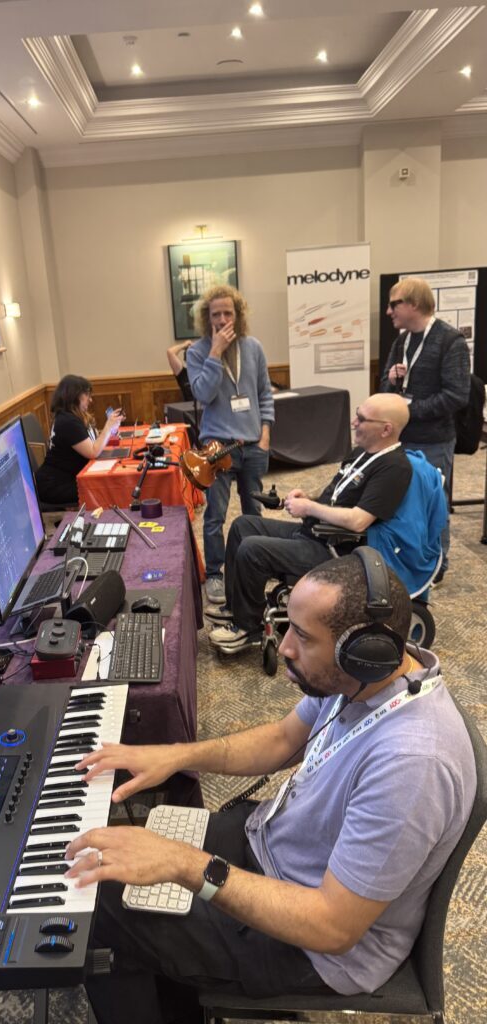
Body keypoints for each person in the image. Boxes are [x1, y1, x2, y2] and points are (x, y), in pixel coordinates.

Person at [64, 554, 476, 1024]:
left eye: (302, 636)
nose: (283, 648)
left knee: (98, 906)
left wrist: (182, 863)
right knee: (123, 862)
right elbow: (281, 739)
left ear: (366, 648)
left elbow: (331, 927)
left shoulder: (413, 764)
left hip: (313, 944)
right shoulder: (365, 681)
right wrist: (174, 755)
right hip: (275, 846)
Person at [207, 392, 412, 652]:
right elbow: (338, 497)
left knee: (252, 549)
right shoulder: (362, 452)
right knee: (243, 525)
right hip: (315, 531)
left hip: (337, 550)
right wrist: (310, 498)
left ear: (386, 429)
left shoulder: (395, 468)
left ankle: (248, 629)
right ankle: (236, 607)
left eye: (361, 419)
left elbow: (360, 520)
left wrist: (310, 507)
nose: (353, 423)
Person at [186, 285, 274, 605]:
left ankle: (256, 565)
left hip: (252, 444)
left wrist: (265, 434)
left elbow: (265, 393)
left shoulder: (254, 347)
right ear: (205, 319)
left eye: (228, 313)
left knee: (254, 510)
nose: (222, 319)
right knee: (215, 515)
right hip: (217, 446)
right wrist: (215, 353)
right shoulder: (197, 352)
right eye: (215, 314)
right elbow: (204, 394)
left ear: (238, 315)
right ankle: (215, 573)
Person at [380, 276, 471, 578]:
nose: (389, 311)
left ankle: (437, 566)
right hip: (400, 440)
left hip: (433, 441)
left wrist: (409, 410)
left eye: (395, 304)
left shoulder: (450, 341)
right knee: (402, 501)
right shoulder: (401, 341)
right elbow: (384, 386)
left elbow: (457, 395)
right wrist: (391, 380)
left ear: (415, 304)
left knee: (433, 504)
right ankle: (410, 559)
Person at [35, 374, 123, 505]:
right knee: (105, 489)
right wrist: (108, 426)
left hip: (63, 478)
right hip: (56, 485)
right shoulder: (68, 422)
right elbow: (93, 452)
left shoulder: (69, 417)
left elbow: (91, 442)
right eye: (87, 395)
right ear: (74, 396)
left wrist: (109, 431)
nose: (90, 400)